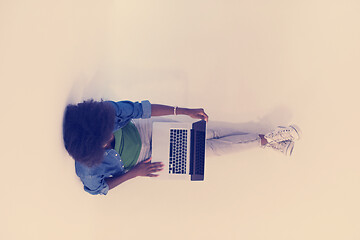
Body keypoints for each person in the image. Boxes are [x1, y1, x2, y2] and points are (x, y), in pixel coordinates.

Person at [63, 99, 301, 195]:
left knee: (212, 131)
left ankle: (270, 140)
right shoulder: (87, 169)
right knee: (211, 151)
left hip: (149, 130)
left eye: (109, 130)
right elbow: (98, 189)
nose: (110, 137)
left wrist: (183, 111)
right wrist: (135, 173)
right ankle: (269, 140)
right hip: (148, 158)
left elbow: (141, 109)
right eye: (105, 141)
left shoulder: (106, 114)